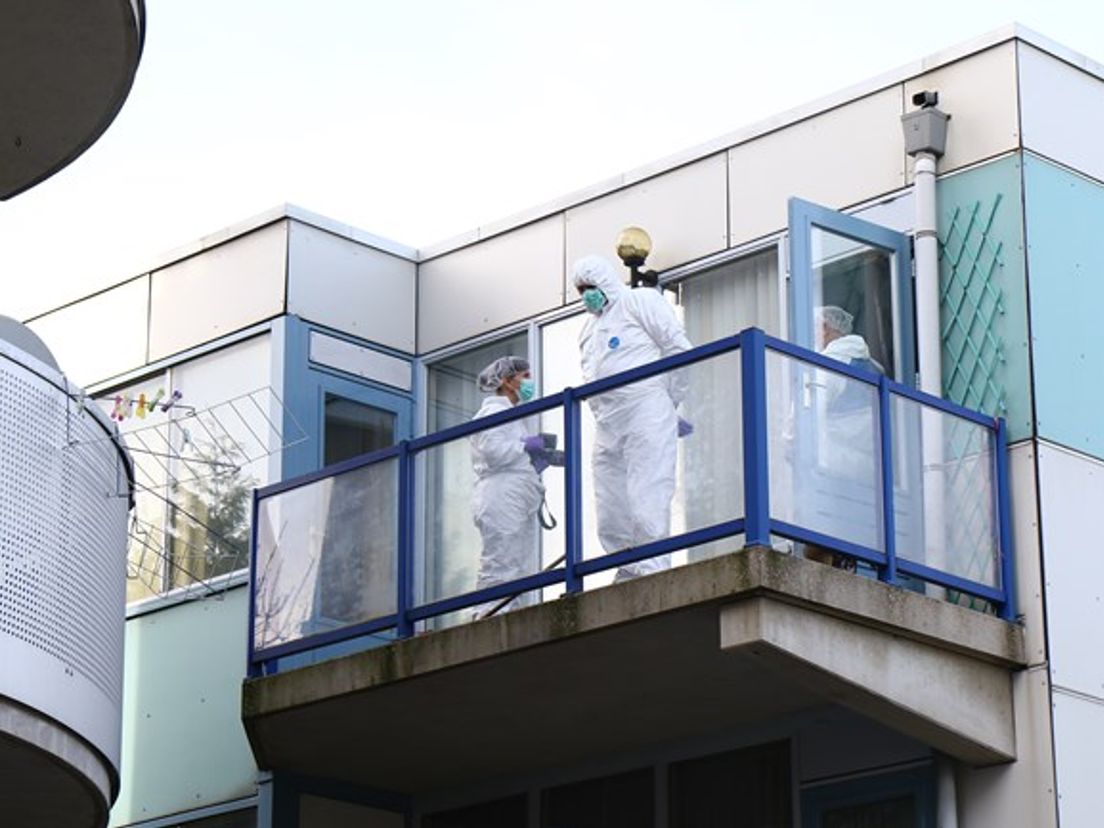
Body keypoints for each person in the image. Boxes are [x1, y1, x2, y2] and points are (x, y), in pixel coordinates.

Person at [571, 254, 693, 581]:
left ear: (607, 282)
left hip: (645, 409)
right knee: (610, 505)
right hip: (607, 422)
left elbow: (677, 348)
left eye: (591, 286)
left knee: (647, 494)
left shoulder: (639, 301)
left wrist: (669, 400)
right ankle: (626, 569)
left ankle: (652, 569)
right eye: (581, 289)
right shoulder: (587, 331)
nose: (587, 295)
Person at [804, 305, 884, 568]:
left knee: (818, 538)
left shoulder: (833, 361)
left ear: (825, 329)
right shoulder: (873, 367)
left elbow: (811, 407)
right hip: (867, 469)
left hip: (836, 462)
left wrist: (791, 439)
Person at [469, 356, 548, 617]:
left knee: (518, 560)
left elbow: (508, 454)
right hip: (501, 495)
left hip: (515, 494)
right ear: (506, 381)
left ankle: (510, 611)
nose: (529, 382)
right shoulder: (493, 412)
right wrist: (524, 447)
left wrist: (533, 461)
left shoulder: (514, 416)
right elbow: (492, 452)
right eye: (524, 377)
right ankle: (489, 613)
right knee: (501, 557)